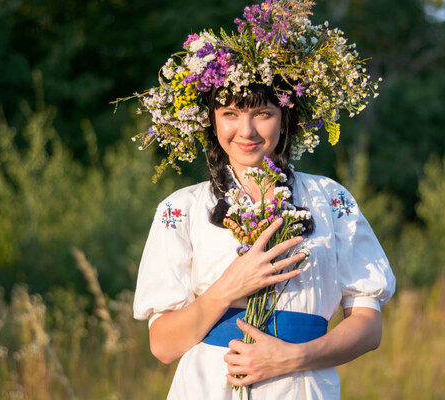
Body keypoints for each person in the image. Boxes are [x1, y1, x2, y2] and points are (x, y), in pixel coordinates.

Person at [130, 1, 395, 398]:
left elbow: (368, 327)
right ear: (212, 120)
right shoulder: (180, 209)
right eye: (231, 113)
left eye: (263, 113)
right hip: (208, 386)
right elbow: (163, 346)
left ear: (286, 118)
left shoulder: (331, 199)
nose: (247, 130)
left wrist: (292, 358)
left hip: (304, 386)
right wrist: (228, 287)